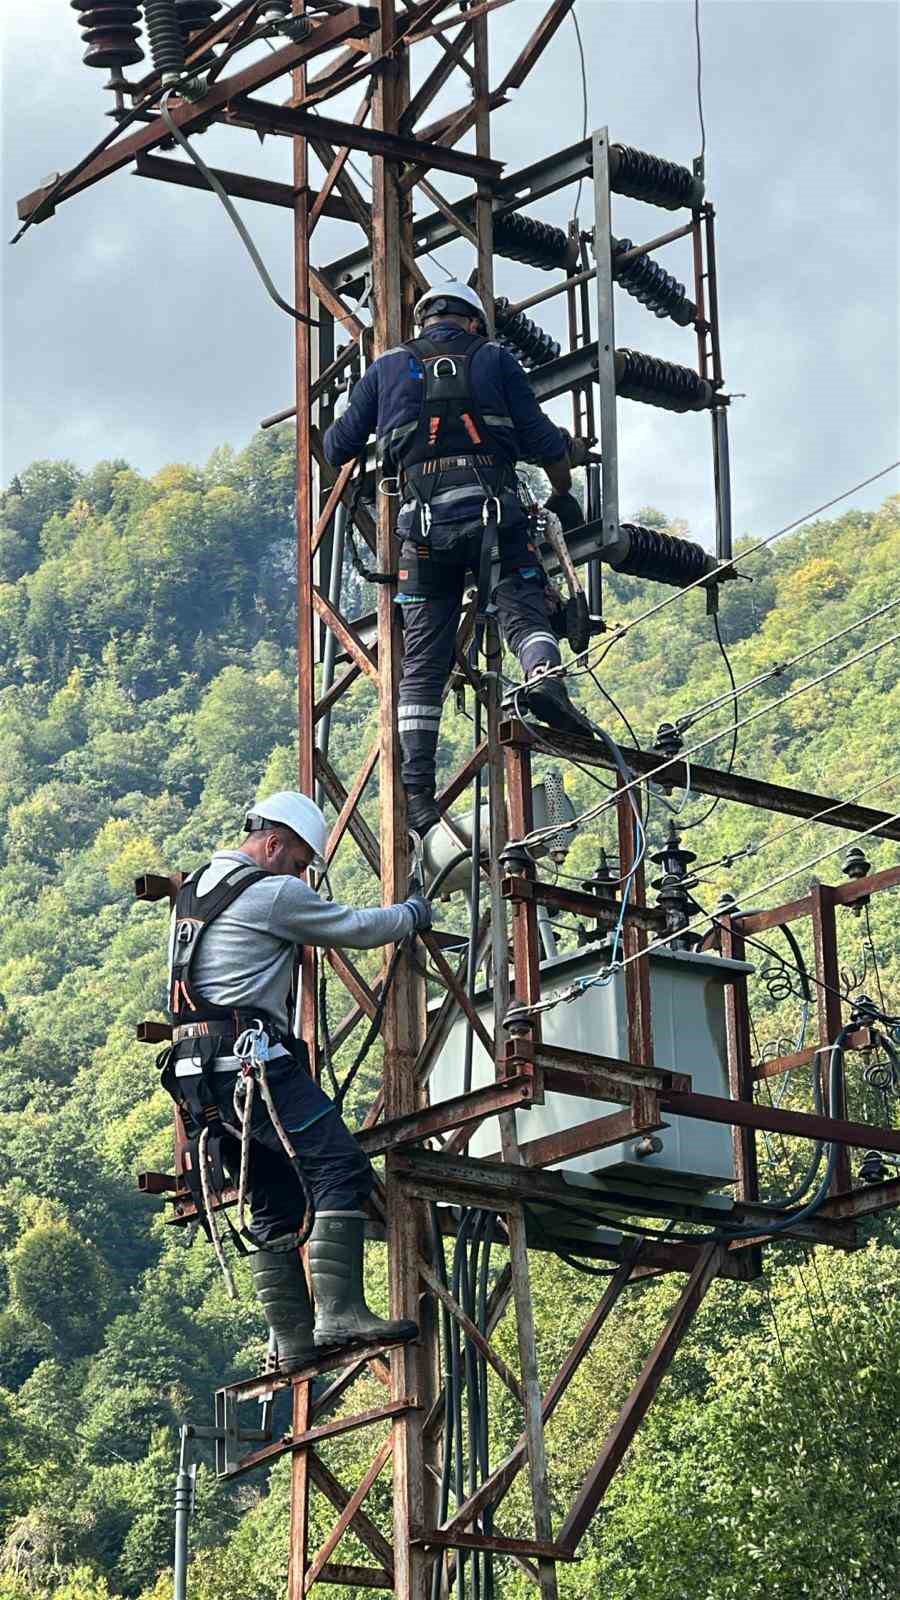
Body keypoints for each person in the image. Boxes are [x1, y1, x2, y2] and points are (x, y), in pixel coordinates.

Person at [163, 790, 432, 1373]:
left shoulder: (196, 890)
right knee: (341, 1167)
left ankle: (292, 1340)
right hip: (250, 1065)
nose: (302, 875)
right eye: (300, 860)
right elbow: (356, 928)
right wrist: (411, 914)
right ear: (273, 843)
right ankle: (338, 1312)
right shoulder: (269, 892)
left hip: (199, 1082)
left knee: (273, 1196)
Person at [323, 280, 592, 836]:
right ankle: (543, 675)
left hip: (421, 533)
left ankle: (418, 793)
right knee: (522, 602)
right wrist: (563, 492)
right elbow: (544, 441)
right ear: (474, 322)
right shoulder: (495, 360)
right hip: (494, 517)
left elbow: (335, 448)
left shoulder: (388, 368)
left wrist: (376, 408)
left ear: (424, 321)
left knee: (423, 662)